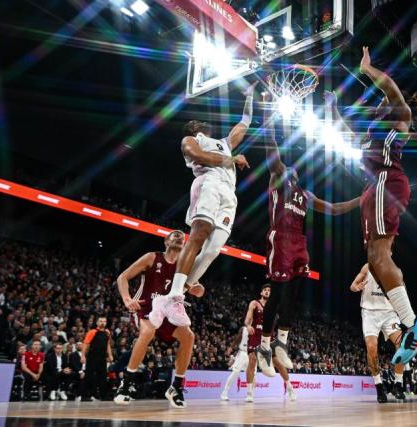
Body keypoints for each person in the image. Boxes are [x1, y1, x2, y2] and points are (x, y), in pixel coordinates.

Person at [329, 47, 417, 366]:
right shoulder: (372, 138)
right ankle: (413, 324)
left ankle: (414, 324)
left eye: (379, 103)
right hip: (377, 189)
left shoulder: (400, 119)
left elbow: (389, 86)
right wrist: (332, 109)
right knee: (376, 262)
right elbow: (346, 134)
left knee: (378, 256)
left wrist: (366, 69)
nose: (376, 106)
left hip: (386, 185)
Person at [255, 92, 360, 377]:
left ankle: (282, 343)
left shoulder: (305, 194)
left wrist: (361, 200)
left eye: (294, 170)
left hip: (299, 242)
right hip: (280, 237)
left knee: (295, 290)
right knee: (277, 292)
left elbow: (336, 209)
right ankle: (263, 345)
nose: (292, 170)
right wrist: (267, 115)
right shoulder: (277, 179)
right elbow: (271, 146)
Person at [150, 83, 256, 327]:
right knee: (199, 236)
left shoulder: (224, 142)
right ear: (195, 128)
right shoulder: (191, 139)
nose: (203, 122)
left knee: (212, 250)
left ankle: (172, 297)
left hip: (229, 194)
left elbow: (245, 122)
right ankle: (175, 294)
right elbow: (199, 156)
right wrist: (231, 159)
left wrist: (249, 97)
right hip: (208, 183)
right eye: (198, 121)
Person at [113, 230, 201, 408]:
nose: (178, 236)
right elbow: (123, 277)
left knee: (189, 336)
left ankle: (176, 387)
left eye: (181, 236)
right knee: (148, 331)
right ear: (166, 241)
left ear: (184, 244)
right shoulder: (152, 257)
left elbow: (199, 289)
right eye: (173, 235)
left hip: (168, 311)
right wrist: (127, 299)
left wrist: (197, 289)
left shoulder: (184, 265)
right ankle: (127, 383)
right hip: (146, 307)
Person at [350, 263, 406, 403]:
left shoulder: (395, 271)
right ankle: (379, 386)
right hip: (370, 313)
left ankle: (398, 384)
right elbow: (352, 286)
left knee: (402, 344)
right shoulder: (367, 267)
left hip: (389, 313)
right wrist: (356, 287)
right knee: (371, 347)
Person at [229, 285, 296, 402]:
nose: (267, 291)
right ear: (261, 292)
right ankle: (249, 393)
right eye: (265, 289)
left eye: (270, 290)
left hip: (269, 337)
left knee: (278, 364)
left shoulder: (275, 306)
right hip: (255, 336)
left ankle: (290, 388)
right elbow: (247, 318)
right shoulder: (254, 303)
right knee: (252, 360)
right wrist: (248, 325)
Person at [80, 316, 113, 402]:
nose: (102, 323)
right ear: (97, 323)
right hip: (92, 357)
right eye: (101, 321)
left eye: (104, 321)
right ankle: (84, 396)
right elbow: (85, 344)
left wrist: (110, 355)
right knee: (88, 376)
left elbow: (108, 345)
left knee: (103, 376)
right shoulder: (92, 332)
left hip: (102, 358)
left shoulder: (107, 332)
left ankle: (103, 395)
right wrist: (83, 356)